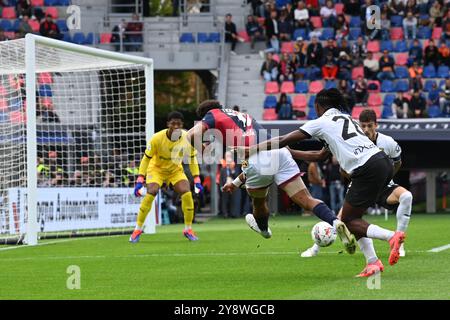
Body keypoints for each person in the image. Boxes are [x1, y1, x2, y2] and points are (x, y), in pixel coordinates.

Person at [243, 88, 406, 277]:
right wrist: (292, 153)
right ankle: (372, 263)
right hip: (382, 162)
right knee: (352, 218)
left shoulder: (320, 122)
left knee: (347, 220)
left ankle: (391, 237)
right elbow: (320, 155)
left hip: (365, 168)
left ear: (318, 106)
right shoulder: (348, 119)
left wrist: (252, 150)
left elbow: (283, 139)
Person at [186, 100, 356, 254]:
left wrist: (203, 149)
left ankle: (264, 229)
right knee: (307, 200)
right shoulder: (243, 116)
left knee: (259, 203)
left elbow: (190, 135)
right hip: (277, 151)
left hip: (257, 159)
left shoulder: (211, 115)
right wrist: (237, 182)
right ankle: (335, 222)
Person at [301, 109, 412, 263]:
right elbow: (342, 169)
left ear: (376, 125)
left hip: (384, 186)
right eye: (363, 126)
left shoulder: (388, 142)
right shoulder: (352, 140)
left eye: (370, 126)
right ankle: (315, 247)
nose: (366, 129)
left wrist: (385, 178)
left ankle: (398, 244)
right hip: (361, 183)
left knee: (407, 196)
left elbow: (398, 161)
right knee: (341, 220)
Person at [129, 111, 203, 243]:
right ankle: (137, 229)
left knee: (187, 192)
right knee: (152, 191)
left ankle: (188, 229)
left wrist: (197, 179)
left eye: (178, 124)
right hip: (156, 169)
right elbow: (146, 159)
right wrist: (140, 179)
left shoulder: (187, 138)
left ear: (182, 125)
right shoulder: (157, 138)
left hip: (175, 170)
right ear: (168, 124)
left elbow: (192, 160)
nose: (175, 126)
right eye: (173, 123)